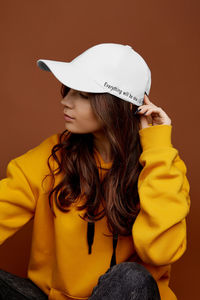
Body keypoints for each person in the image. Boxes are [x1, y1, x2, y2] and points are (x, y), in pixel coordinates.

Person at [0, 43, 191, 300]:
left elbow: (159, 253)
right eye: (68, 91)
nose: (65, 101)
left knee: (131, 277)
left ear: (115, 104)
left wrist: (157, 149)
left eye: (83, 95)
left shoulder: (162, 165)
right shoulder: (51, 156)